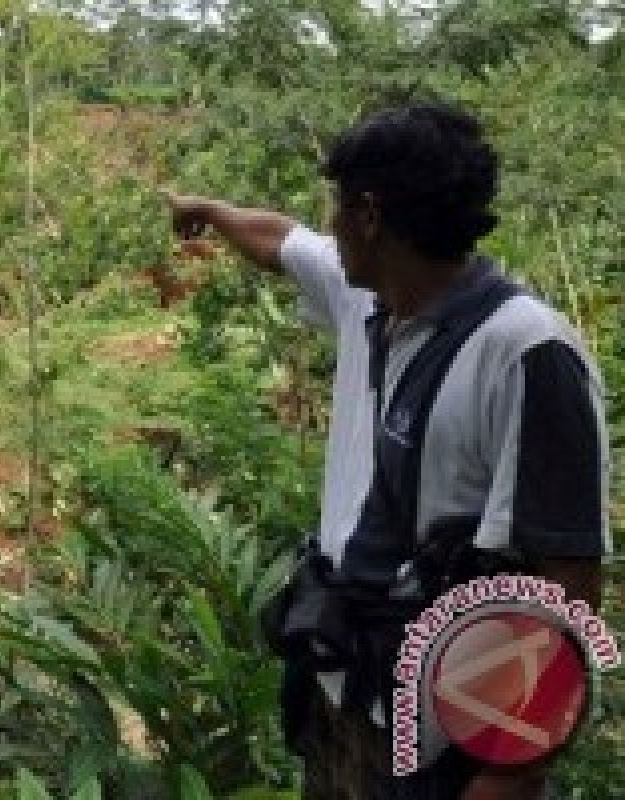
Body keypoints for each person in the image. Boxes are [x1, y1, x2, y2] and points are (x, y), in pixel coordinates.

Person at [163, 103, 610, 800]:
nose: (327, 226)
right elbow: (279, 238)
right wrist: (212, 212)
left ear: (368, 215)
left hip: (441, 729)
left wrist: (508, 774)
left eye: (335, 209)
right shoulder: (366, 297)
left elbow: (567, 583)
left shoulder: (526, 352)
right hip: (342, 687)